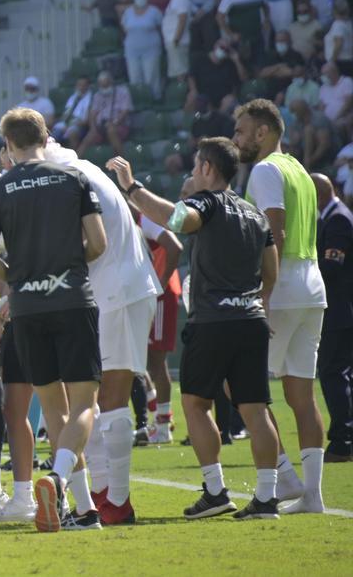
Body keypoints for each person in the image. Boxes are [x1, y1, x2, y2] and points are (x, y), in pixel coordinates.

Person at [108, 138, 283, 521]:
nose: (192, 172)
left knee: (196, 404)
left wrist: (132, 187)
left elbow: (176, 220)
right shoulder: (256, 215)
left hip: (214, 320)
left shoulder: (206, 203)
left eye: (195, 166)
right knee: (257, 409)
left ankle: (215, 490)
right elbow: (271, 274)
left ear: (207, 168)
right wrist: (254, 302)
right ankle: (267, 498)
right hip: (251, 318)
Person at [0, 107, 108, 532]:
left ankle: (83, 510)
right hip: (72, 299)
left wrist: (19, 276)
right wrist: (64, 268)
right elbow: (98, 244)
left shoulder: (0, 186)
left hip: (28, 310)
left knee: (55, 409)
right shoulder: (74, 178)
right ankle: (56, 478)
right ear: (45, 137)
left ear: (8, 145)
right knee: (87, 404)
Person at [46, 138, 161, 526]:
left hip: (116, 292)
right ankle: (101, 493)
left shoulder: (66, 175)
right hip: (113, 291)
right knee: (90, 397)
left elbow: (87, 242)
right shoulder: (80, 169)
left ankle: (118, 501)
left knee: (111, 396)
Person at [232, 99, 328, 514]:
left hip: (282, 288)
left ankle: (284, 478)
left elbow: (275, 226)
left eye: (241, 131)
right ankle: (314, 495)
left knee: (239, 384)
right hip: (312, 289)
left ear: (263, 133)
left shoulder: (266, 170)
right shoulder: (302, 172)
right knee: (302, 396)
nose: (236, 138)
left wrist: (263, 287)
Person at [311, 173, 353, 463]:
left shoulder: (337, 218)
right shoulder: (336, 215)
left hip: (339, 311)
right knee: (340, 374)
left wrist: (306, 267)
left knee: (332, 373)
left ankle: (342, 441)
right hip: (341, 310)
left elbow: (333, 265)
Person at [139, 213, 183, 445]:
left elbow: (175, 246)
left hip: (160, 295)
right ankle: (159, 415)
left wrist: (161, 283)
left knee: (156, 360)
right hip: (146, 294)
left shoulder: (145, 218)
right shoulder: (132, 218)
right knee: (140, 359)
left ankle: (164, 425)